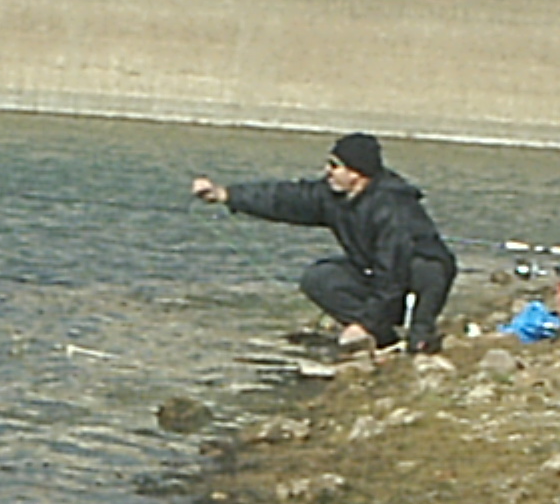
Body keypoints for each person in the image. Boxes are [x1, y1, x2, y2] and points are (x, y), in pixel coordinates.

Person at [191, 132, 457, 355]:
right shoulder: (332, 196)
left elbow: (392, 273)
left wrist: (364, 324)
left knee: (421, 319)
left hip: (421, 276)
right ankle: (383, 339)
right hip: (378, 271)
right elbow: (285, 198)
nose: (327, 171)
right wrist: (225, 195)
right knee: (320, 277)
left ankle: (415, 338)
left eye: (334, 165)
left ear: (356, 173)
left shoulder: (393, 208)